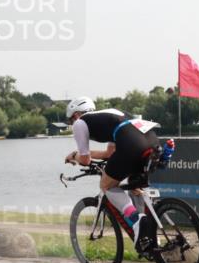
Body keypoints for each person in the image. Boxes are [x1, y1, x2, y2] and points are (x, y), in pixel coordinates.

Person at [63, 97, 160, 249]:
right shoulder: (111, 115)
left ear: (75, 115)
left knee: (106, 185)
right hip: (151, 141)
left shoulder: (80, 123)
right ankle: (148, 235)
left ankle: (137, 221)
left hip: (131, 143)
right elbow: (110, 153)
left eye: (70, 121)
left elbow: (85, 160)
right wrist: (87, 155)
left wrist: (73, 155)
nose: (72, 124)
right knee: (134, 187)